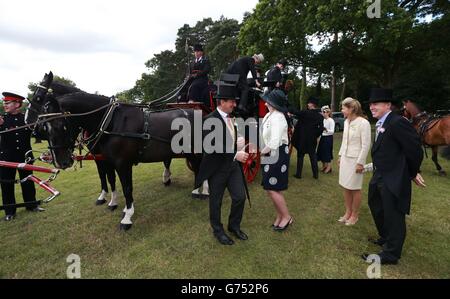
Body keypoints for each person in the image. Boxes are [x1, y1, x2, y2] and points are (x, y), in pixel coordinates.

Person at [362, 88, 425, 265]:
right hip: (380, 174)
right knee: (376, 205)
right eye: (371, 104)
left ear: (388, 105)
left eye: (376, 103)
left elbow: (414, 150)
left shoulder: (397, 122)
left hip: (394, 176)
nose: (372, 107)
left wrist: (412, 172)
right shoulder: (382, 122)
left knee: (393, 213)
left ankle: (391, 253)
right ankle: (386, 237)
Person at [194, 81, 250, 246]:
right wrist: (235, 154)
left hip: (233, 168)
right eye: (232, 101)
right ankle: (218, 231)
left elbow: (227, 141)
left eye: (234, 101)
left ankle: (234, 226)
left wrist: (238, 142)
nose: (235, 104)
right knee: (216, 202)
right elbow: (211, 147)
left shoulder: (231, 119)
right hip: (217, 168)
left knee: (240, 197)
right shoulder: (208, 120)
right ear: (222, 102)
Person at [0, 92, 44, 221]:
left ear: (17, 104)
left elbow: (38, 133)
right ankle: (9, 211)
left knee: (28, 181)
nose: (5, 105)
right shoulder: (2, 120)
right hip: (6, 157)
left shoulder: (26, 120)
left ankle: (31, 205)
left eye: (8, 103)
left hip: (25, 155)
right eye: (4, 103)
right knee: (7, 184)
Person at [260, 90, 293, 231]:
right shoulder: (269, 115)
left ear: (274, 103)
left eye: (268, 100)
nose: (265, 102)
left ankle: (286, 217)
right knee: (271, 188)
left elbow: (275, 141)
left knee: (273, 188)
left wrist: (260, 152)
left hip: (277, 153)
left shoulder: (279, 117)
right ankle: (280, 216)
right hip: (270, 153)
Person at [337, 98, 371, 226]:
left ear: (351, 109)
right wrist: (340, 155)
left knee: (355, 188)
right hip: (346, 158)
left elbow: (366, 144)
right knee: (345, 186)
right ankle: (348, 212)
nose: (342, 110)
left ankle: (355, 215)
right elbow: (344, 141)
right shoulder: (346, 121)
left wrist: (360, 162)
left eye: (344, 108)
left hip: (356, 160)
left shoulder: (364, 123)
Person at [290, 96, 324, 179]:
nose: (307, 104)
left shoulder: (305, 113)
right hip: (312, 139)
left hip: (303, 139)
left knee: (300, 156)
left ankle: (298, 174)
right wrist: (315, 135)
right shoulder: (320, 116)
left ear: (312, 104)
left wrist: (287, 105)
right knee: (313, 156)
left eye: (309, 103)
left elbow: (295, 112)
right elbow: (321, 128)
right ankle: (315, 175)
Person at [317, 105, 335, 174]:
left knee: (327, 152)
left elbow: (332, 131)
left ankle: (329, 167)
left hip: (328, 138)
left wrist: (326, 130)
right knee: (321, 151)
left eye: (324, 112)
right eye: (322, 112)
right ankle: (324, 166)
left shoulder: (331, 120)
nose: (323, 113)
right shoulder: (323, 120)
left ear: (328, 112)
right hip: (322, 137)